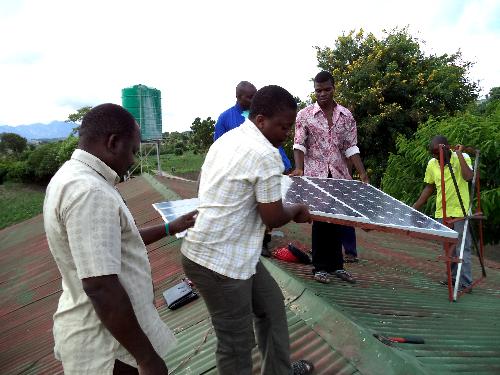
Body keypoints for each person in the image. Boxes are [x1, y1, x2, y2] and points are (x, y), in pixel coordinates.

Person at [43, 103, 197, 375]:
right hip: (107, 347)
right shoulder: (90, 192)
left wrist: (170, 227)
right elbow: (100, 286)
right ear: (113, 142)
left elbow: (116, 243)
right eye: (133, 151)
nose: (133, 160)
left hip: (107, 337)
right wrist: (146, 358)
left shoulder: (72, 176)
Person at [181, 85, 314, 375]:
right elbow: (274, 216)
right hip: (216, 261)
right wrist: (297, 210)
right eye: (283, 126)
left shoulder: (228, 139)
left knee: (271, 309)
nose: (286, 134)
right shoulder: (266, 154)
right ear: (261, 120)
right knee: (235, 344)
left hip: (240, 252)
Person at [291, 71, 369, 284]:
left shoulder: (346, 116)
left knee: (337, 219)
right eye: (318, 90)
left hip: (339, 175)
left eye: (327, 89)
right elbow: (299, 144)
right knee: (320, 221)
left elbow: (351, 147)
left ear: (334, 88)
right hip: (315, 175)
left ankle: (337, 266)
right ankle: (319, 268)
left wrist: (362, 173)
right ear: (314, 90)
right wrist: (299, 169)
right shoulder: (305, 115)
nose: (322, 94)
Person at [214, 81, 292, 257]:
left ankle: (263, 242)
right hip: (240, 176)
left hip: (264, 171)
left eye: (255, 95)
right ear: (238, 97)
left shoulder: (262, 115)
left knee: (267, 204)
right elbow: (219, 146)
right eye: (250, 96)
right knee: (253, 209)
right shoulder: (226, 118)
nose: (253, 99)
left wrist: (286, 165)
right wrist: (296, 211)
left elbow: (274, 144)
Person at [413, 135, 474, 292]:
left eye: (438, 152)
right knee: (448, 248)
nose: (436, 156)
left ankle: (465, 283)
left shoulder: (462, 157)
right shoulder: (432, 164)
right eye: (433, 153)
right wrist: (416, 206)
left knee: (462, 248)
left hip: (461, 210)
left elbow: (468, 177)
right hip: (443, 211)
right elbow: (429, 187)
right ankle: (453, 279)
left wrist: (459, 154)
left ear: (447, 148)